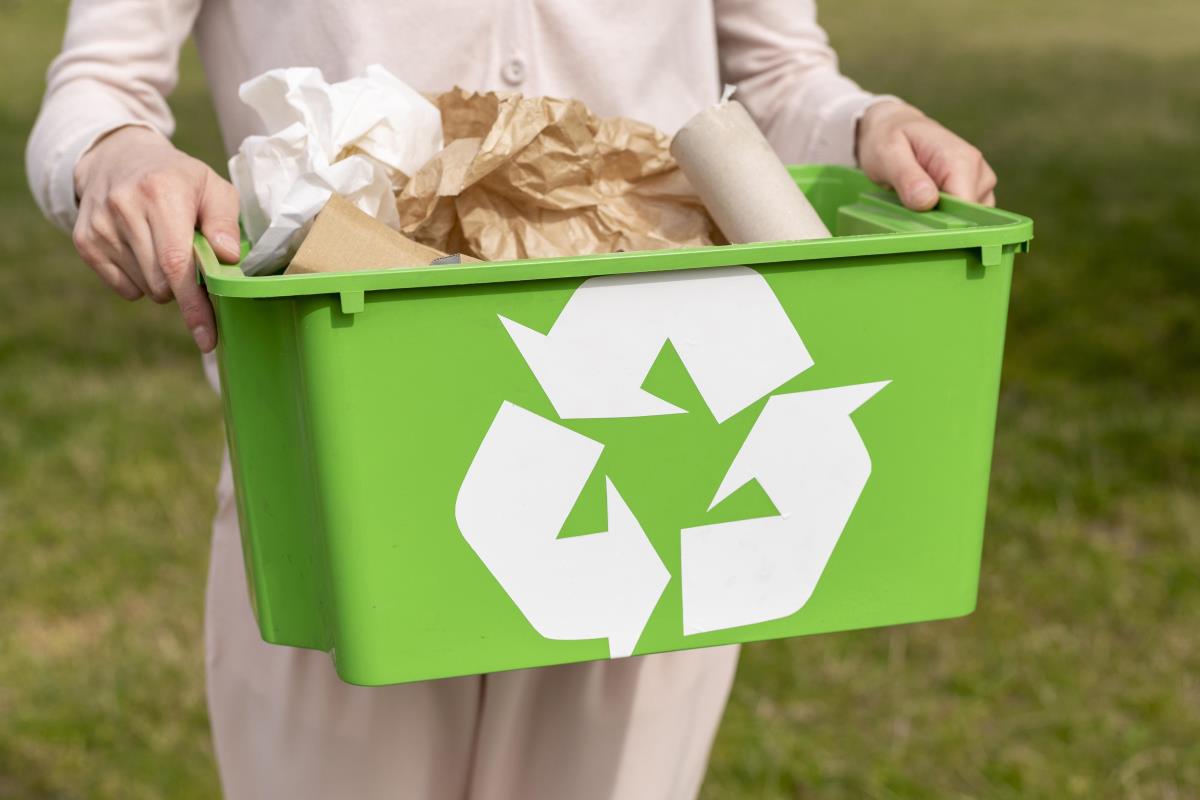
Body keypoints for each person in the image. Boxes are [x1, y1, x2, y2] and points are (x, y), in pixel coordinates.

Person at [26, 2, 997, 798]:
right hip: (354, 463)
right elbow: (99, 87)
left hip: (668, 452)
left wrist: (872, 122)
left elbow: (780, 76)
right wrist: (113, 155)